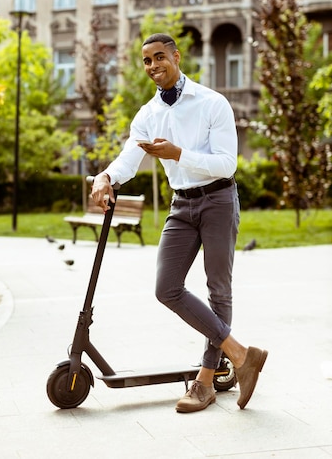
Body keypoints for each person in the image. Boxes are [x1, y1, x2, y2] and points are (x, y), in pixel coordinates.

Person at [91, 32, 267, 413]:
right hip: (181, 205)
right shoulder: (148, 113)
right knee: (166, 287)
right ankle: (240, 354)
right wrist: (106, 176)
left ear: (177, 56)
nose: (154, 66)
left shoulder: (212, 103)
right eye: (146, 61)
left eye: (159, 57)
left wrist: (178, 154)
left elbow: (226, 163)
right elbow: (128, 158)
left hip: (218, 198)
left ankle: (206, 380)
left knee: (218, 289)